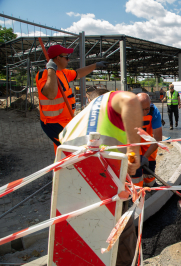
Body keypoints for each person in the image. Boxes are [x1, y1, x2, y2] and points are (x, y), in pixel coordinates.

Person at [59, 89, 142, 265]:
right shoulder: (106, 101)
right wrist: (134, 152)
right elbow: (130, 100)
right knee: (121, 246)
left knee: (85, 246)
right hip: (105, 186)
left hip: (70, 192)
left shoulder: (74, 123)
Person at [36, 44, 108, 154]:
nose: (68, 60)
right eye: (66, 57)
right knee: (73, 150)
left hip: (66, 121)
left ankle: (60, 169)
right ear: (58, 58)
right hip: (53, 123)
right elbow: (50, 94)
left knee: (64, 152)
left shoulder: (63, 73)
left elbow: (78, 73)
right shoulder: (44, 74)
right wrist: (51, 69)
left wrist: (95, 65)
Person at [131, 93, 163, 187]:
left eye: (147, 109)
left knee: (150, 161)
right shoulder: (128, 112)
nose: (145, 112)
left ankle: (150, 184)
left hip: (147, 142)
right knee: (135, 166)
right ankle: (136, 190)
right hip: (132, 143)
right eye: (141, 109)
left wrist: (145, 157)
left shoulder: (154, 111)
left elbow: (158, 139)